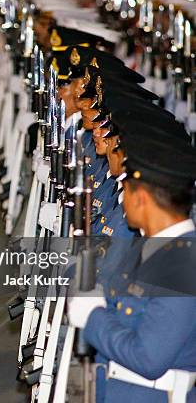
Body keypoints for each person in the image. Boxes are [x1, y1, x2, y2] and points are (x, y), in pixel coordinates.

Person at [68, 127, 196, 402]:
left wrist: (92, 318)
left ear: (142, 198)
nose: (123, 199)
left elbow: (148, 357)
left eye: (126, 190)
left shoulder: (181, 263)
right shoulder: (154, 247)